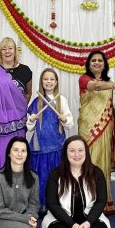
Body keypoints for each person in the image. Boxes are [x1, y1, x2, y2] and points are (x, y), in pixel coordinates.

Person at [78, 50, 115, 213]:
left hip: (106, 127)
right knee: (88, 163)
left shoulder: (110, 84)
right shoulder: (84, 79)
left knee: (104, 165)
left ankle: (104, 201)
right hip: (88, 128)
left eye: (100, 60)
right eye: (93, 60)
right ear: (89, 64)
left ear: (104, 64)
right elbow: (96, 86)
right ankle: (87, 201)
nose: (96, 63)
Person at [0, 37, 32, 173]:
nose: (7, 51)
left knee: (17, 154)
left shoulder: (25, 70)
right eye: (4, 49)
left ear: (15, 51)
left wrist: (19, 109)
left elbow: (28, 93)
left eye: (10, 48)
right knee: (0, 154)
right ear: (0, 52)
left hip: (18, 120)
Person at [27, 68, 73, 209]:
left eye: (52, 79)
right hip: (40, 147)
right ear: (41, 81)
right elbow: (29, 127)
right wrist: (32, 120)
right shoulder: (36, 101)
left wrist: (65, 119)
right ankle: (41, 206)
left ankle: (57, 205)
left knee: (56, 178)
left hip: (57, 147)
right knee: (41, 179)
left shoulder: (61, 99)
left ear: (56, 82)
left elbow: (70, 124)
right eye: (46, 79)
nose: (49, 82)